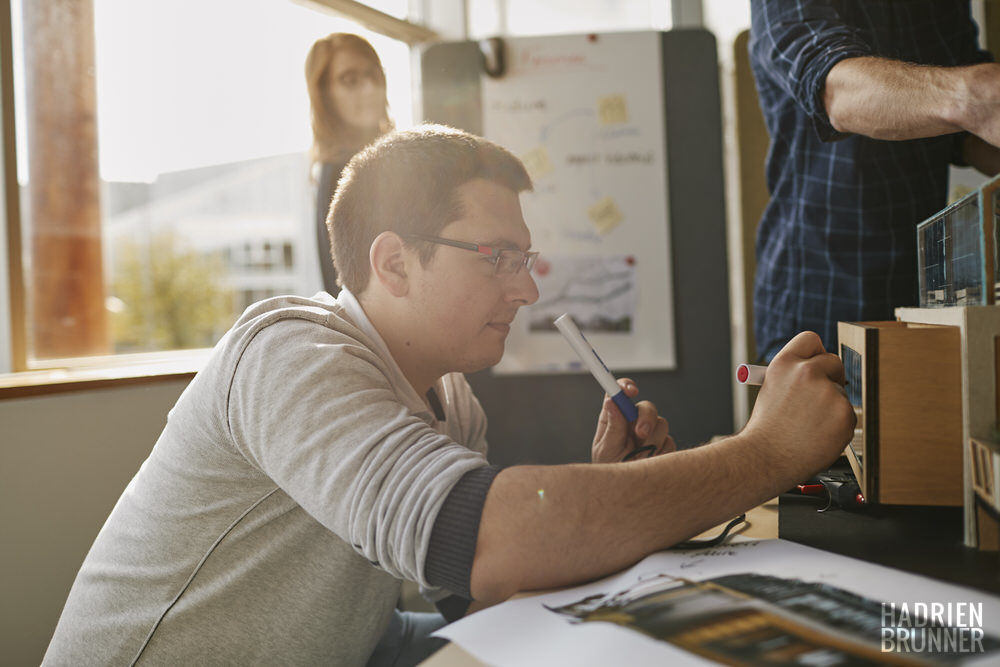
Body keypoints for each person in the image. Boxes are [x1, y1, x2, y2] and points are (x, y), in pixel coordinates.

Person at [42, 125, 855, 666]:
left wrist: (609, 483)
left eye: (526, 260)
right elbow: (495, 542)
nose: (526, 291)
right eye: (499, 256)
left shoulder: (453, 398)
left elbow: (479, 588)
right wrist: (766, 452)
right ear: (394, 262)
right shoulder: (286, 350)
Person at [750, 0, 1000, 361]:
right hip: (818, 295)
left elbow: (963, 132)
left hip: (923, 291)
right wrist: (974, 92)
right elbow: (835, 89)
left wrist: (978, 104)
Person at [305, 32, 394, 295]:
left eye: (373, 75)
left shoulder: (384, 160)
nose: (368, 88)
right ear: (325, 95)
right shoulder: (343, 171)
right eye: (349, 80)